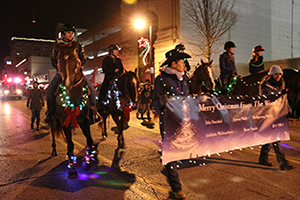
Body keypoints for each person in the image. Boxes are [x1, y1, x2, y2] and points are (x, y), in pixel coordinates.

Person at [152, 49, 191, 200]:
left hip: (184, 121)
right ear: (173, 64)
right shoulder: (160, 79)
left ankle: (169, 170)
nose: (184, 64)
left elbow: (187, 98)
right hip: (168, 122)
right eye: (182, 62)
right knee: (171, 152)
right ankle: (177, 188)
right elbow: (155, 102)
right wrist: (162, 103)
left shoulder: (184, 79)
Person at [44, 23, 88, 124]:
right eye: (68, 32)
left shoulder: (78, 46)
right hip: (62, 73)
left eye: (72, 33)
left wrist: (78, 64)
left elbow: (84, 59)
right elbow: (53, 60)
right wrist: (62, 69)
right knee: (50, 90)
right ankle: (50, 113)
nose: (70, 34)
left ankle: (94, 111)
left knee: (91, 90)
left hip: (76, 72)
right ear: (63, 34)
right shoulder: (57, 46)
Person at [258, 65, 294, 171]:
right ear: (271, 74)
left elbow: (282, 100)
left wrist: (288, 109)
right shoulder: (265, 85)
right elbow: (267, 98)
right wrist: (278, 95)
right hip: (268, 115)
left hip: (276, 115)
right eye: (276, 74)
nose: (278, 76)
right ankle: (283, 163)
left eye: (279, 74)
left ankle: (263, 158)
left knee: (269, 138)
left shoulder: (280, 85)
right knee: (275, 139)